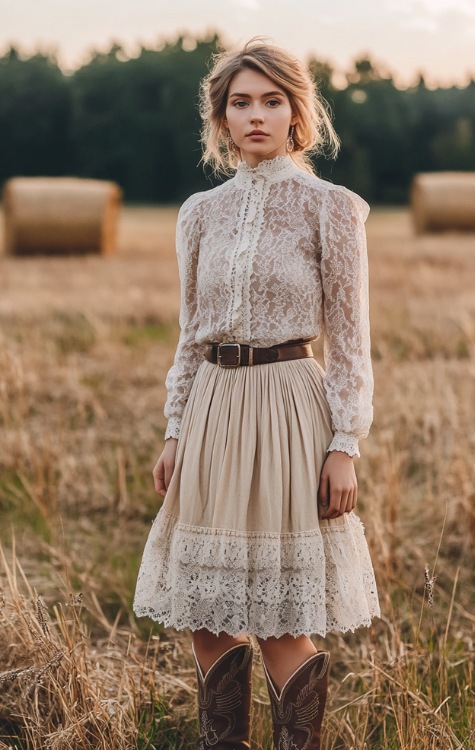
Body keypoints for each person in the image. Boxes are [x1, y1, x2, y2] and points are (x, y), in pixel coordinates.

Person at [133, 36, 380, 750]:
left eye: (273, 101)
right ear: (221, 120)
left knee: (279, 621)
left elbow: (350, 338)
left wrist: (345, 444)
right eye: (241, 103)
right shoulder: (198, 214)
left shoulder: (329, 208)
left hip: (289, 409)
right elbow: (190, 334)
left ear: (298, 115)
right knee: (207, 615)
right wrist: (175, 429)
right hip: (211, 407)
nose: (256, 116)